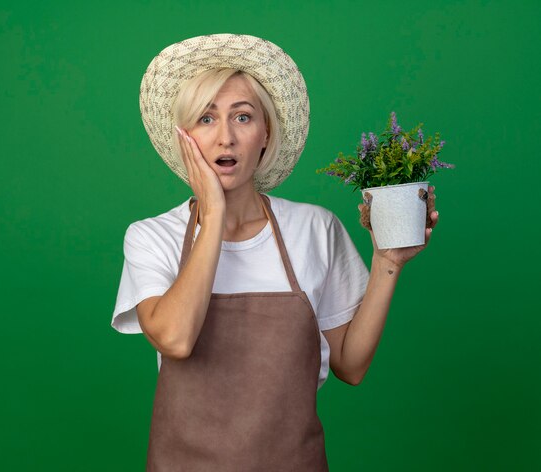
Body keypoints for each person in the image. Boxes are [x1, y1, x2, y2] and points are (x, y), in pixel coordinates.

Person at [112, 34, 438, 471]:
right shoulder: (153, 236)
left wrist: (387, 262)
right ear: (185, 137)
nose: (225, 137)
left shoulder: (314, 228)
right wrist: (212, 210)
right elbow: (175, 338)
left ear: (265, 134)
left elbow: (351, 365)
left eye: (242, 117)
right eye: (206, 119)